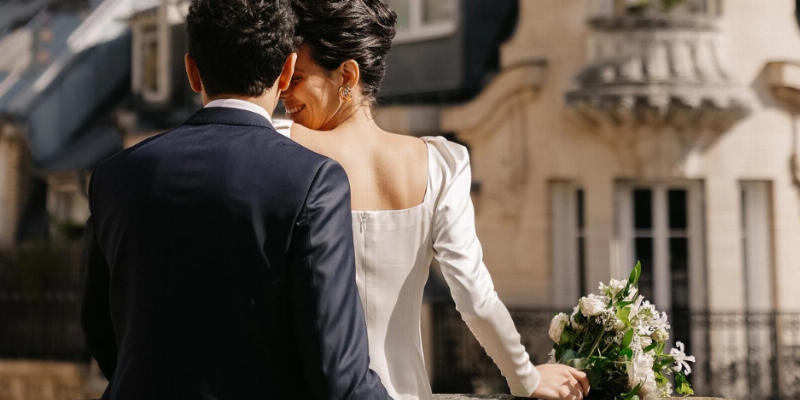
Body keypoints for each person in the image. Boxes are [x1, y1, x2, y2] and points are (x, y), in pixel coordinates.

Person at [277, 1, 591, 399]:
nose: (283, 91)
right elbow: (476, 298)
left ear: (348, 75)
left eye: (297, 76)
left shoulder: (282, 145)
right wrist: (525, 378)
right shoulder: (441, 163)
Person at [80, 1, 391, 399]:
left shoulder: (115, 175)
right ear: (287, 70)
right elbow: (338, 373)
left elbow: (98, 329)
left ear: (192, 70)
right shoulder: (312, 180)